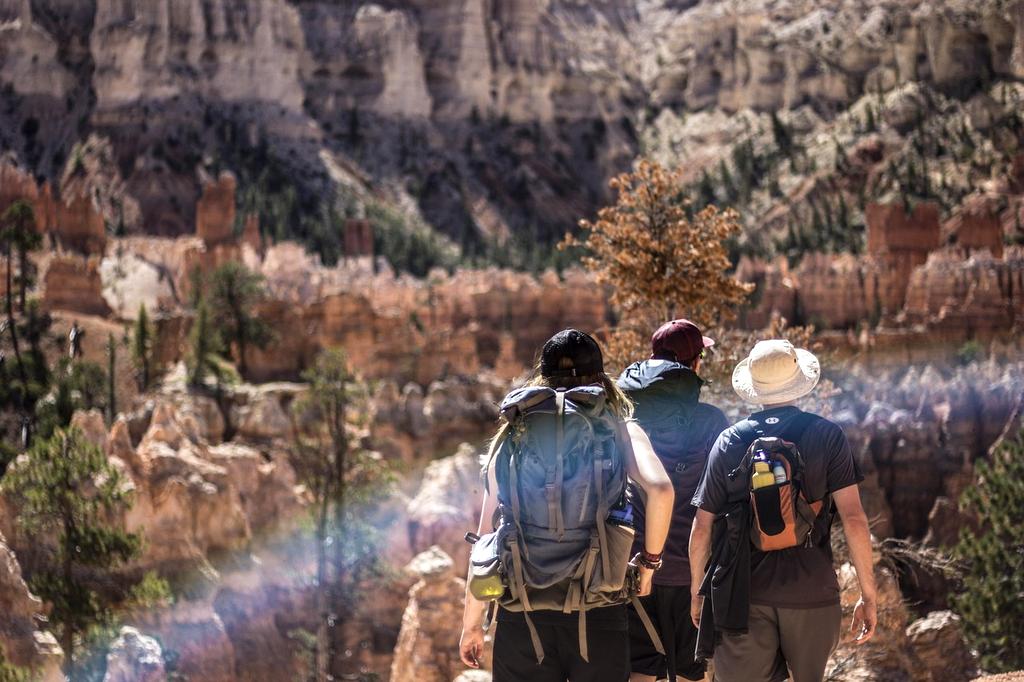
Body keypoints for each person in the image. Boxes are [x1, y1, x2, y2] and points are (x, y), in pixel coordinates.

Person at [459, 329, 675, 682]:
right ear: (601, 377)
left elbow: (485, 537)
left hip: (522, 609)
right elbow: (662, 490)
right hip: (598, 607)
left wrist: (471, 624)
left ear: (542, 376)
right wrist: (648, 567)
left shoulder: (514, 431)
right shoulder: (619, 427)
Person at [689, 339, 877, 682]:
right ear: (798, 383)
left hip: (743, 598)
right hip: (812, 592)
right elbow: (854, 519)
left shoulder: (729, 441)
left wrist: (695, 593)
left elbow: (702, 527)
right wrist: (868, 595)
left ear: (753, 388)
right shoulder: (827, 436)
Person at [617, 320, 727, 682]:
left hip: (635, 566)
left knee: (640, 670)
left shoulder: (628, 420)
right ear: (694, 365)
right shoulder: (712, 422)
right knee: (691, 671)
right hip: (691, 572)